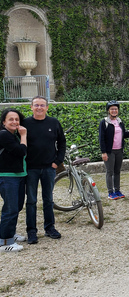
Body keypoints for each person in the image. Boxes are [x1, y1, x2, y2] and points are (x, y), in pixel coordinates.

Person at [23, 96, 66, 244]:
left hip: (49, 168)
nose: (39, 107)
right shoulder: (25, 124)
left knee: (48, 199)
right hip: (31, 169)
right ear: (31, 107)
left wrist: (57, 161)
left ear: (47, 107)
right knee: (31, 201)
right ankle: (31, 231)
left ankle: (49, 228)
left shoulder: (53, 123)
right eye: (36, 105)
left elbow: (62, 142)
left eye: (42, 105)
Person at [0, 109, 27, 252]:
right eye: (11, 119)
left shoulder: (12, 135)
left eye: (17, 119)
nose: (15, 122)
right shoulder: (4, 135)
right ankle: (4, 242)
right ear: (4, 121)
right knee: (10, 208)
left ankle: (11, 233)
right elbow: (21, 151)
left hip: (18, 175)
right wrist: (23, 135)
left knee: (16, 206)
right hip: (7, 176)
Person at [99, 101, 129, 200]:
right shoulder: (105, 122)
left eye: (115, 109)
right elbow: (101, 138)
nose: (114, 111)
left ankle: (117, 190)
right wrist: (104, 152)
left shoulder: (119, 121)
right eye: (112, 109)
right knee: (109, 172)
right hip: (109, 151)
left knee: (117, 171)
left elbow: (123, 134)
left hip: (119, 150)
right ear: (108, 111)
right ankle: (110, 192)